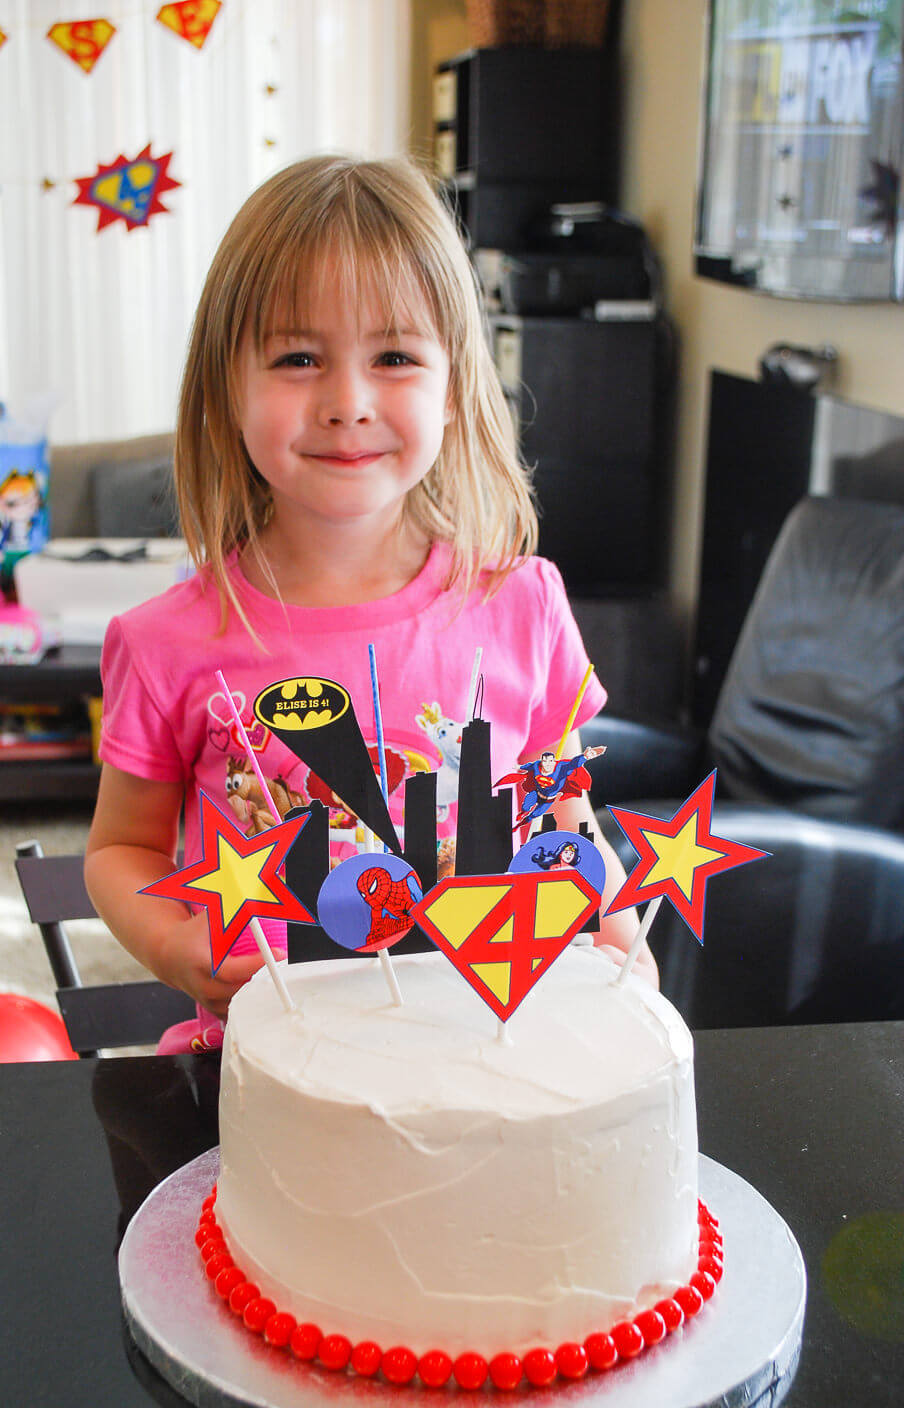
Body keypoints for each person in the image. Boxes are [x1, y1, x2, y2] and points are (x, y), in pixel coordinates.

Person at [84, 154, 657, 1051]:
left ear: (454, 384)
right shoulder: (165, 644)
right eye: (298, 357)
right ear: (225, 385)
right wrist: (174, 944)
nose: (347, 403)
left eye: (393, 355)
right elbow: (119, 850)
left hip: (491, 1058)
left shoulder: (526, 603)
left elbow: (566, 816)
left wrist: (620, 939)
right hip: (269, 1076)